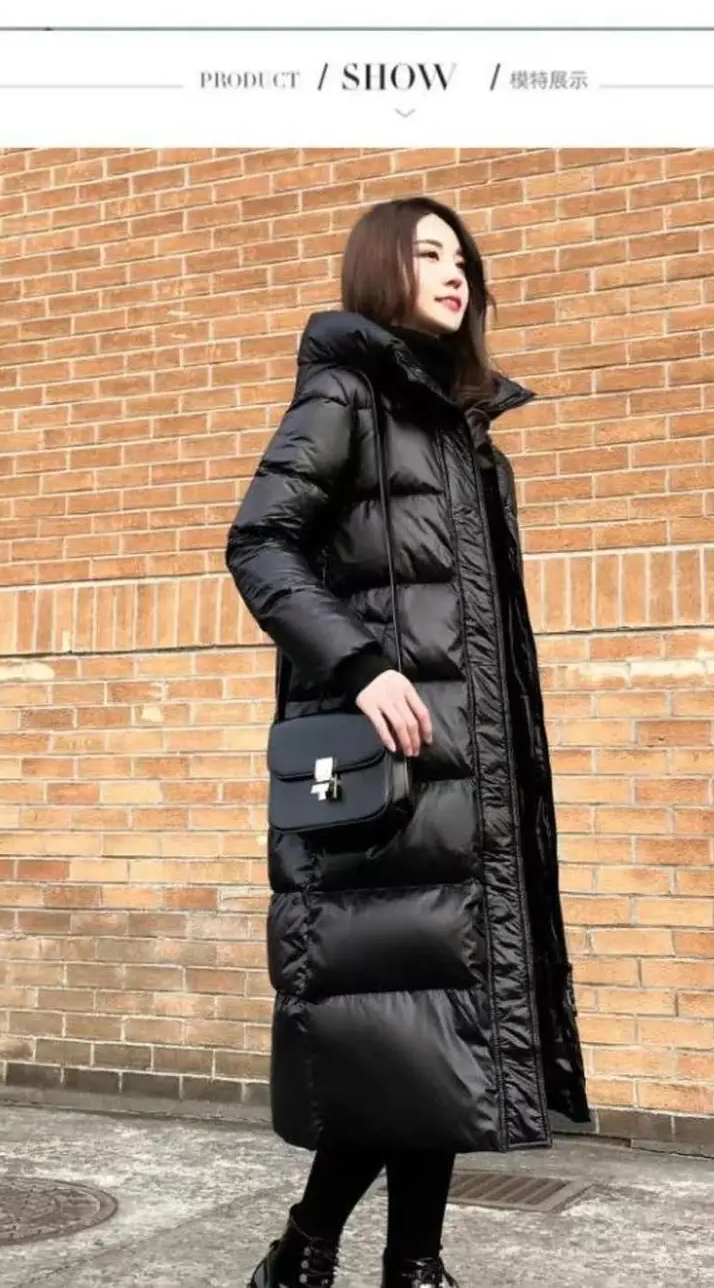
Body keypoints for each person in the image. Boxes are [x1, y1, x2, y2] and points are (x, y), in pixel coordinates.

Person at [225, 196, 590, 1288]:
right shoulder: (344, 396)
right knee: (408, 1023)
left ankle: (390, 1261)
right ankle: (323, 1248)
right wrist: (361, 663)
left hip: (463, 772)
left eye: (461, 254)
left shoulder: (464, 431)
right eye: (428, 252)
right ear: (382, 268)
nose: (454, 269)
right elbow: (260, 542)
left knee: (445, 1019)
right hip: (381, 774)